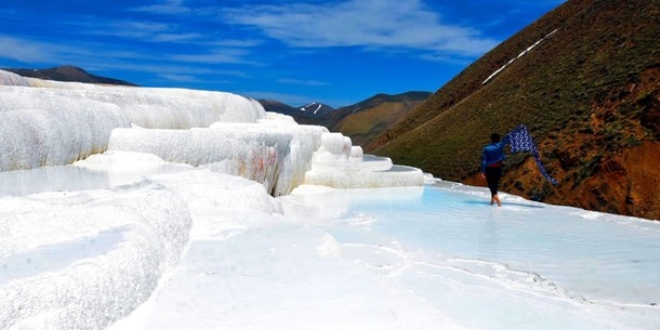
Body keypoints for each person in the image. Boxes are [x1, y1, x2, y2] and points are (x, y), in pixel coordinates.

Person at [480, 132, 510, 207]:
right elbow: (507, 139)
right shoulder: (500, 145)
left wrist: (483, 171)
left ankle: (495, 196)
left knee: (491, 184)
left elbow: (484, 161)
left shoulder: (486, 148)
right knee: (495, 183)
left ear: (491, 139)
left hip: (489, 169)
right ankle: (492, 200)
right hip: (498, 168)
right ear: (499, 139)